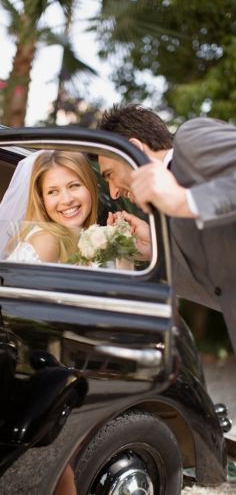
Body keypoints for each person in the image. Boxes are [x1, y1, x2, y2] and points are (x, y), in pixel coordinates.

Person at [98, 103, 236, 353]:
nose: (113, 191)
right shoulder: (170, 217)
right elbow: (220, 289)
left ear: (134, 149)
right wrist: (155, 248)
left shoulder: (191, 140)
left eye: (109, 174)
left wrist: (185, 200)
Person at [0, 150, 98, 263]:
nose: (67, 200)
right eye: (53, 192)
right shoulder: (47, 242)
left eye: (74, 186)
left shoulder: (85, 238)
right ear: (42, 200)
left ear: (90, 185)